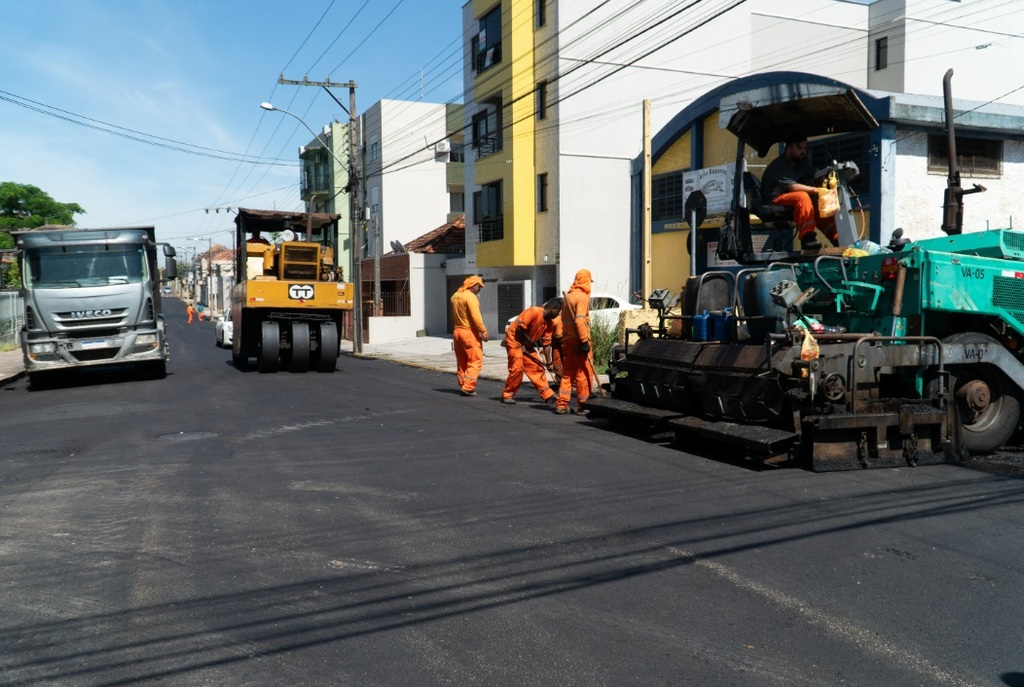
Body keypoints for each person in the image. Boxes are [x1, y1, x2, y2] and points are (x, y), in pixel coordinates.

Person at [760, 135, 839, 251]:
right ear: (789, 148)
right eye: (800, 148)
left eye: (805, 148)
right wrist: (817, 190)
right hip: (773, 201)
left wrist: (827, 176)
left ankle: (837, 238)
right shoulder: (779, 166)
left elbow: (814, 173)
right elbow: (793, 187)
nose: (803, 152)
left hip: (789, 199)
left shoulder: (801, 162)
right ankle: (807, 237)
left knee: (817, 203)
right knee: (802, 196)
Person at [500, 297, 562, 405]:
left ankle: (547, 394)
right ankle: (507, 395)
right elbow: (519, 329)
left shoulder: (550, 324)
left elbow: (546, 344)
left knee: (536, 367)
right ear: (553, 308)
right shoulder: (534, 311)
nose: (559, 314)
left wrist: (549, 363)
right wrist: (523, 345)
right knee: (517, 369)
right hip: (514, 340)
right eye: (559, 311)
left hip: (526, 344)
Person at [555, 269, 593, 415]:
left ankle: (562, 404)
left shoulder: (568, 298)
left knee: (568, 374)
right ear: (586, 281)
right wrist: (584, 341)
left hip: (568, 341)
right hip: (578, 341)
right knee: (582, 374)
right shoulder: (582, 297)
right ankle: (582, 405)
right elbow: (579, 321)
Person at [451, 275, 489, 396]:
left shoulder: (455, 296)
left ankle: (463, 383)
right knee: (475, 360)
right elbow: (475, 317)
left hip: (457, 332)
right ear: (473, 285)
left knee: (462, 360)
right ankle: (468, 387)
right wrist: (483, 331)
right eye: (479, 286)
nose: (480, 289)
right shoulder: (471, 297)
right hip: (468, 332)